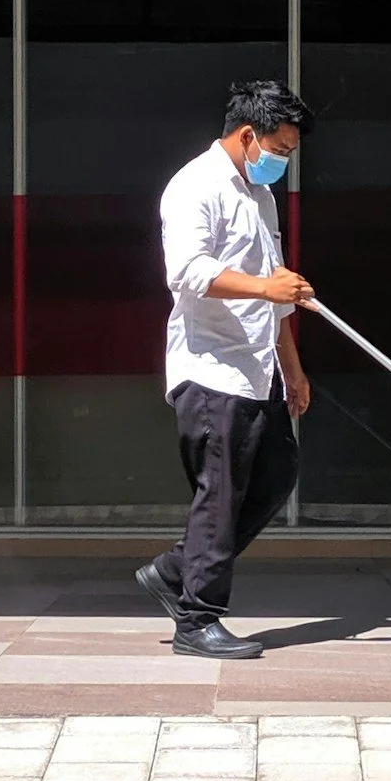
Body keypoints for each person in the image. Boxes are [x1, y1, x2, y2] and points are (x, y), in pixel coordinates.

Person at [137, 81, 315, 659]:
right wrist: (268, 286)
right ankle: (196, 620)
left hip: (257, 368)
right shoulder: (195, 186)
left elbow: (276, 290)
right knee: (221, 493)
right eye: (280, 150)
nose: (283, 162)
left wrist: (292, 367)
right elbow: (188, 271)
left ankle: (174, 570)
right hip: (211, 368)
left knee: (276, 474)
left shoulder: (258, 197)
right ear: (247, 135)